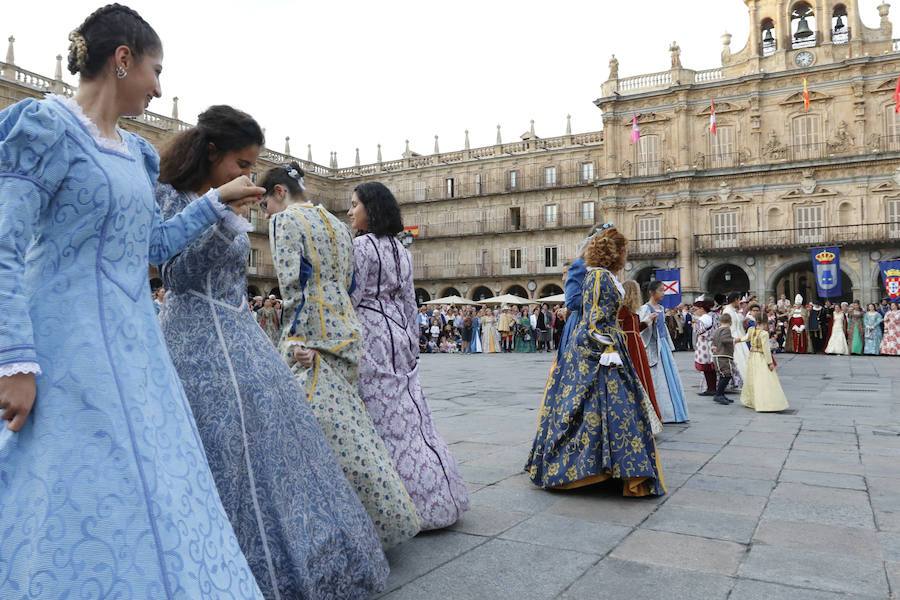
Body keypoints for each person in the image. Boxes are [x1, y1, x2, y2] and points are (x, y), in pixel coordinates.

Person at [0, 6, 268, 597]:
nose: (159, 86)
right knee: (78, 484)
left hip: (138, 352)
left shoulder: (138, 154)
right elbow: (4, 248)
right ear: (123, 59)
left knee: (155, 484)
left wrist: (215, 199)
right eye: (155, 69)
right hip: (66, 348)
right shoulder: (45, 128)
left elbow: (154, 246)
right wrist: (15, 360)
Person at [158, 120, 387, 597]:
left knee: (276, 443)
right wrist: (218, 213)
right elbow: (174, 273)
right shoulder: (174, 195)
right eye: (242, 164)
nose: (249, 177)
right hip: (192, 338)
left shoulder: (242, 206)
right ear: (211, 152)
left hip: (238, 332)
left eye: (254, 167)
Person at [264, 163, 420, 549]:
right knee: (353, 428)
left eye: (265, 202)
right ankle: (391, 513)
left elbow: (290, 287)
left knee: (317, 434)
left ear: (280, 193)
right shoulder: (336, 226)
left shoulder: (285, 223)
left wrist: (292, 341)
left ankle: (331, 525)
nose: (264, 211)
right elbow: (349, 283)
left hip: (312, 336)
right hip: (348, 334)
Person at [347, 181, 469, 530]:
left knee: (378, 417)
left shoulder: (362, 247)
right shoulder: (402, 251)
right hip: (398, 335)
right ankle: (439, 494)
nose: (350, 211)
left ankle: (397, 503)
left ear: (371, 209)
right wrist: (412, 343)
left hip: (370, 334)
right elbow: (408, 302)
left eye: (355, 205)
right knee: (410, 418)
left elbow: (352, 298)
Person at [526, 228, 665, 496]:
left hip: (605, 345)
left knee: (604, 409)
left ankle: (606, 468)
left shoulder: (605, 276)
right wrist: (609, 345)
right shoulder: (599, 276)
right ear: (615, 252)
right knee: (598, 406)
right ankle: (592, 470)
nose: (626, 254)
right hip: (600, 348)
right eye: (623, 249)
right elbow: (595, 319)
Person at [640, 281, 689, 423]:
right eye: (661, 290)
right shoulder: (645, 308)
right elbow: (641, 328)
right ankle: (661, 411)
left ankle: (673, 412)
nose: (663, 293)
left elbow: (665, 330)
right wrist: (649, 321)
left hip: (663, 346)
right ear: (651, 292)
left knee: (670, 378)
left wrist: (669, 345)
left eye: (663, 290)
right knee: (657, 379)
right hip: (653, 346)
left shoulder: (661, 308)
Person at [618, 280, 661, 419]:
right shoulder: (622, 309)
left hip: (636, 344)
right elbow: (619, 329)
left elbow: (635, 329)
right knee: (638, 377)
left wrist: (648, 320)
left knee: (643, 378)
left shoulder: (631, 310)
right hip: (630, 346)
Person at [740, 310, 789, 412]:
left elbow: (745, 338)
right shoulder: (764, 334)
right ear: (766, 322)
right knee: (763, 378)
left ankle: (752, 399)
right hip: (761, 357)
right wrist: (770, 363)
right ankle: (764, 401)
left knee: (753, 377)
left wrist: (737, 340)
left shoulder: (751, 329)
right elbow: (766, 350)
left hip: (752, 356)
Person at [692, 298, 717, 396]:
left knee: (708, 368)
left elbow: (698, 331)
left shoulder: (703, 318)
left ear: (702, 308)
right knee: (709, 368)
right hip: (706, 343)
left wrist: (694, 324)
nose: (695, 311)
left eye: (696, 309)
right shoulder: (708, 317)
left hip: (705, 344)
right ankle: (711, 388)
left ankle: (711, 388)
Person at [723, 292, 748, 388]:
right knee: (738, 359)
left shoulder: (733, 310)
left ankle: (743, 380)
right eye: (739, 299)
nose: (740, 302)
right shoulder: (727, 311)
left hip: (739, 336)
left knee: (743, 358)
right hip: (733, 337)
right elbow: (727, 326)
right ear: (736, 300)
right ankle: (738, 381)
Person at [710, 313, 735, 405]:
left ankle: (721, 394)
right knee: (726, 375)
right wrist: (734, 340)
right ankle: (718, 394)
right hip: (723, 355)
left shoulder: (717, 330)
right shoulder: (727, 329)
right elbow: (724, 340)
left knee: (723, 375)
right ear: (730, 322)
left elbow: (713, 340)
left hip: (718, 355)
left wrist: (713, 347)